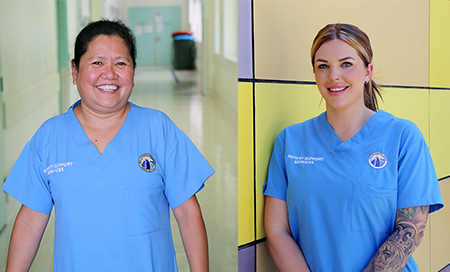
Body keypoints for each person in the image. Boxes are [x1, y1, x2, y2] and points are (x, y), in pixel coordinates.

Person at [2, 19, 214, 272]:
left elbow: (188, 214)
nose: (110, 74)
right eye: (97, 62)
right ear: (75, 71)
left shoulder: (158, 129)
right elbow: (29, 221)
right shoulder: (50, 136)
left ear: (133, 72)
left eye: (121, 63)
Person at [263, 23, 444, 271]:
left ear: (368, 72)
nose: (334, 75)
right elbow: (277, 230)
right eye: (323, 66)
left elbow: (409, 232)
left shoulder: (403, 137)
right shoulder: (290, 141)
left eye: (346, 64)